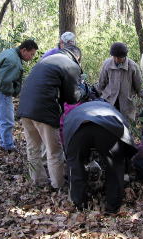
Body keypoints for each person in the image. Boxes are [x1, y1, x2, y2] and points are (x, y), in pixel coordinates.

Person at [17, 45, 88, 189]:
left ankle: (38, 181)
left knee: (33, 148)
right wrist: (84, 90)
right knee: (54, 151)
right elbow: (73, 97)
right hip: (45, 112)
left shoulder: (46, 61)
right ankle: (58, 185)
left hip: (24, 109)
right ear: (77, 57)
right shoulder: (70, 65)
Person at [63, 100, 137, 214]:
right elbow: (124, 138)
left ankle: (79, 204)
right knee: (115, 165)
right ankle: (113, 206)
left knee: (75, 165)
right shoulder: (111, 109)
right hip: (107, 128)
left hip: (78, 129)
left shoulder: (75, 112)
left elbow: (67, 145)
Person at [0, 39, 38, 152]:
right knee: (7, 120)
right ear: (24, 50)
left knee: (2, 118)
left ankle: (3, 142)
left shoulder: (10, 52)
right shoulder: (13, 60)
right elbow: (5, 83)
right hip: (1, 92)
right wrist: (12, 92)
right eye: (31, 54)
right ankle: (7, 146)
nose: (32, 57)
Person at [96, 42, 143, 121]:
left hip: (126, 102)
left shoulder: (133, 66)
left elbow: (139, 85)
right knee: (109, 122)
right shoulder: (107, 64)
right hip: (109, 99)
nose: (117, 60)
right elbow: (102, 82)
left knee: (125, 124)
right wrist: (96, 94)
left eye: (119, 58)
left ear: (124, 56)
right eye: (115, 57)